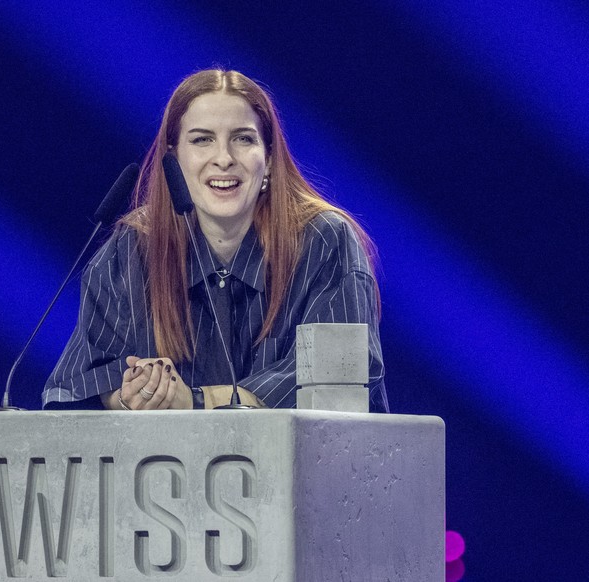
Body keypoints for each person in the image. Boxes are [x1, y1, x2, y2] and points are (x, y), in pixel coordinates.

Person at [42, 69, 388, 412]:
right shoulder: (131, 250)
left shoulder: (325, 243)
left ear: (268, 159)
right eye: (202, 139)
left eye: (243, 138)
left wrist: (193, 402)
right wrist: (136, 394)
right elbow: (82, 381)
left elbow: (341, 377)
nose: (223, 158)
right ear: (174, 159)